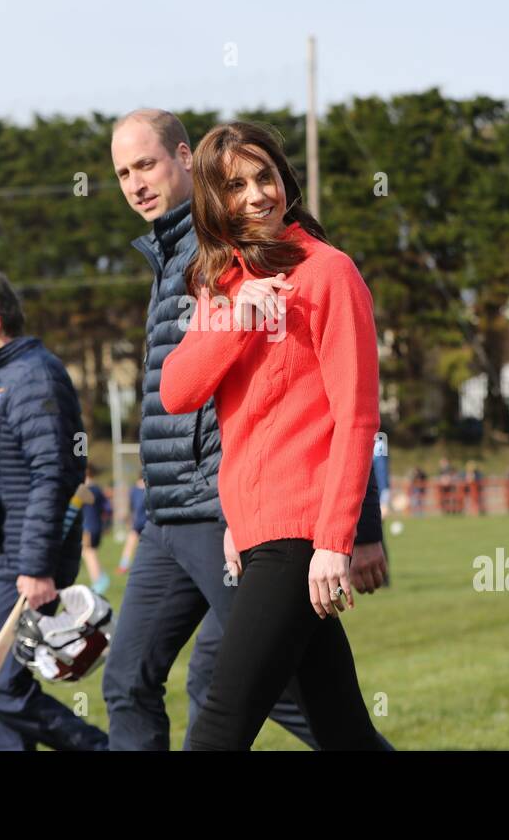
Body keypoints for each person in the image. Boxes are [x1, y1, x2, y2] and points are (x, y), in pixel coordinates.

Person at [103, 109, 390, 751]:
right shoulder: (222, 281)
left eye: (265, 177)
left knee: (217, 729)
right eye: (235, 186)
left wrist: (338, 542)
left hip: (300, 536)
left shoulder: (328, 272)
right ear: (215, 201)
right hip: (253, 533)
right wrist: (234, 318)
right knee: (342, 731)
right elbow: (180, 392)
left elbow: (356, 418)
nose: (257, 194)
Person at [0, 268, 108, 751]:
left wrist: (36, 567)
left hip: (17, 567)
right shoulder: (0, 382)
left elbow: (53, 475)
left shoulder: (34, 376)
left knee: (1, 690)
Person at [79, 464, 112, 594]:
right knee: (90, 552)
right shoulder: (97, 489)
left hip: (88, 527)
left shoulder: (83, 490)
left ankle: (99, 581)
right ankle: (100, 579)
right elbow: (107, 508)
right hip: (97, 526)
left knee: (88, 553)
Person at [117, 474, 147, 573]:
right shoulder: (142, 489)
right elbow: (133, 507)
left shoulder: (135, 490)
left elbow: (133, 507)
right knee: (131, 543)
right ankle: (124, 565)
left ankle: (124, 565)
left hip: (141, 522)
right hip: (143, 522)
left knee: (131, 544)